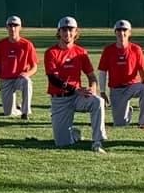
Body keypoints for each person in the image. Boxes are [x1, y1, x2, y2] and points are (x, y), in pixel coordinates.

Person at [44, 17, 106, 151]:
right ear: (59, 32)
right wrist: (75, 89)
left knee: (98, 101)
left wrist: (93, 88)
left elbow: (91, 76)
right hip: (60, 99)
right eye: (64, 30)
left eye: (70, 29)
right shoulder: (51, 52)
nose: (67, 33)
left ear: (76, 32)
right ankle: (74, 134)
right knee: (62, 144)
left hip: (77, 97)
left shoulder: (81, 52)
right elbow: (53, 79)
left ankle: (97, 141)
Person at [98, 20, 144, 129]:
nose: (121, 33)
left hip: (132, 86)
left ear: (129, 32)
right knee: (120, 124)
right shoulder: (108, 50)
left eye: (124, 30)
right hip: (116, 89)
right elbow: (102, 71)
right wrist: (102, 92)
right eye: (119, 30)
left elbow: (142, 68)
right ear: (115, 32)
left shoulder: (136, 49)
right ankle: (128, 110)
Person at [0, 15, 37, 120]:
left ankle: (25, 112)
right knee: (8, 113)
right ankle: (17, 109)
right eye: (10, 25)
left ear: (20, 27)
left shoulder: (27, 44)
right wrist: (0, 78)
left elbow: (34, 66)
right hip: (6, 80)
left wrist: (27, 74)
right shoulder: (0, 44)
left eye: (15, 25)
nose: (13, 28)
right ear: (6, 27)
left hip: (20, 78)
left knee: (27, 82)